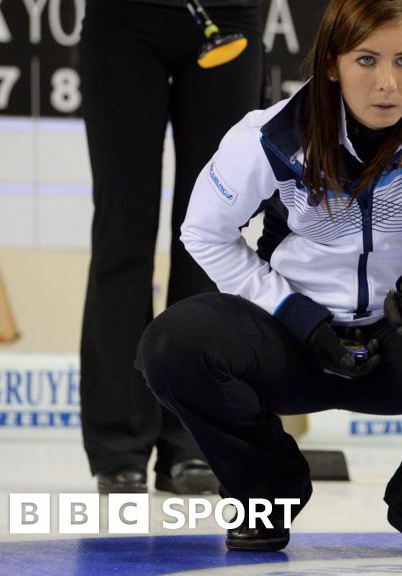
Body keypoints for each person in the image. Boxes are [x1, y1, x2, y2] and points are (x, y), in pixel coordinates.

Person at [135, 0, 402, 557]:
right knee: (173, 342)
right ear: (331, 64)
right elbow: (203, 233)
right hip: (297, 346)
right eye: (366, 60)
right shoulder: (272, 134)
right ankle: (267, 494)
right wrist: (296, 315)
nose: (388, 83)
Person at [78, 0, 263, 495]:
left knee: (210, 232)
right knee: (122, 233)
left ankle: (192, 436)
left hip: (230, 16)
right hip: (126, 19)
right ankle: (118, 443)